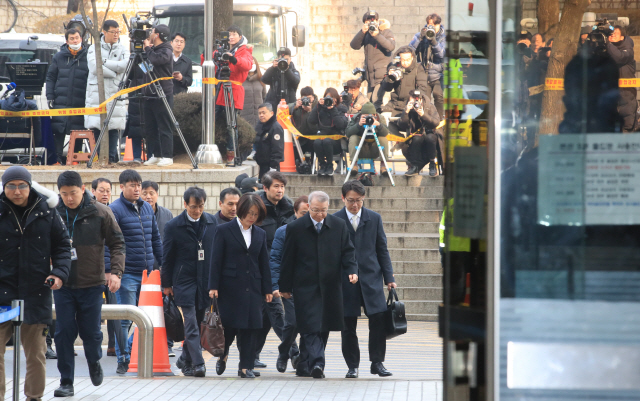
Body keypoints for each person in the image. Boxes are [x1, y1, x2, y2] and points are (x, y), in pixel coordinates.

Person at [0, 166, 70, 401]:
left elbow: (62, 247)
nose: (17, 191)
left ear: (30, 186)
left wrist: (59, 273)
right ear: (4, 187)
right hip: (2, 293)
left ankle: (34, 397)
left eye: (22, 186)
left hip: (35, 292)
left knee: (37, 354)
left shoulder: (47, 212)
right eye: (11, 186)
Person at [52, 171, 125, 397]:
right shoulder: (53, 213)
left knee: (91, 333)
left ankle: (94, 361)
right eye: (64, 194)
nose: (69, 198)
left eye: (73, 193)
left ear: (82, 189)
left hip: (92, 283)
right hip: (62, 284)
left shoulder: (100, 212)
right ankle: (66, 381)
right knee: (63, 333)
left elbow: (117, 243)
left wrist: (115, 273)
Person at [279, 191, 358, 378]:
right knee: (309, 325)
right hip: (304, 286)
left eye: (323, 211)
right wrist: (284, 287)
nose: (319, 215)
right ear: (308, 207)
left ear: (328, 208)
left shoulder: (338, 225)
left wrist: (352, 270)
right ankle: (318, 363)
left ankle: (304, 365)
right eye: (315, 211)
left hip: (330, 285)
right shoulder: (296, 228)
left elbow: (348, 251)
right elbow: (287, 259)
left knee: (324, 326)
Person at [334, 181, 396, 378]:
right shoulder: (335, 220)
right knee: (348, 324)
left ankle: (377, 363)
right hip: (346, 280)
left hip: (371, 278)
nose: (355, 205)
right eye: (351, 201)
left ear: (364, 199)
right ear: (343, 198)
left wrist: (389, 277)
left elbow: (382, 249)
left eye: (359, 201)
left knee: (378, 319)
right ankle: (352, 366)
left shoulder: (374, 218)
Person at [208, 194, 272, 379]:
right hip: (229, 287)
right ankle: (223, 355)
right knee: (229, 327)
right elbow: (215, 260)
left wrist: (267, 289)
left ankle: (246, 367)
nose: (252, 217)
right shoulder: (224, 230)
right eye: (249, 213)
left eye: (256, 214)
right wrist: (213, 286)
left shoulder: (259, 233)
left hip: (253, 287)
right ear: (241, 211)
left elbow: (264, 263)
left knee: (251, 328)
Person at [109, 169, 162, 374]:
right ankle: (123, 358)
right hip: (127, 273)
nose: (137, 188)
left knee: (147, 317)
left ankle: (131, 349)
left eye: (138, 184)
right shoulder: (115, 210)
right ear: (122, 187)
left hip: (147, 274)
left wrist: (162, 264)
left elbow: (156, 239)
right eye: (132, 185)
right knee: (125, 318)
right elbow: (110, 243)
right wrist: (113, 271)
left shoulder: (147, 209)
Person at [162, 187, 217, 377]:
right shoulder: (173, 226)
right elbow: (167, 258)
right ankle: (199, 363)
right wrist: (167, 284)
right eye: (193, 207)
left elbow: (216, 256)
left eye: (201, 206)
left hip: (205, 282)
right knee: (191, 323)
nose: (197, 211)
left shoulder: (212, 223)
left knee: (201, 323)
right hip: (183, 282)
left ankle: (184, 359)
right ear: (185, 204)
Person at [254, 172, 297, 368]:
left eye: (282, 186)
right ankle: (293, 353)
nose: (280, 190)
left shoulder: (289, 208)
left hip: (284, 268)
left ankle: (252, 354)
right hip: (261, 269)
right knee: (276, 312)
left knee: (267, 316)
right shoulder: (256, 208)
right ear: (265, 188)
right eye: (276, 186)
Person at [202, 25, 253, 165]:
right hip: (219, 88)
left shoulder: (244, 50)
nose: (231, 37)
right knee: (212, 121)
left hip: (234, 90)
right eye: (229, 34)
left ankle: (232, 154)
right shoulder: (223, 48)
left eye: (234, 34)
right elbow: (205, 62)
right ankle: (211, 151)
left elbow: (248, 64)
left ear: (240, 36)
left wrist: (233, 59)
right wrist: (207, 52)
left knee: (231, 125)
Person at [270, 195, 309, 373]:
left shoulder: (318, 229)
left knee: (309, 325)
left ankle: (304, 362)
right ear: (294, 212)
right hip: (290, 286)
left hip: (311, 286)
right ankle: (284, 351)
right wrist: (276, 285)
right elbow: (275, 259)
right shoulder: (283, 231)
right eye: (303, 213)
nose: (308, 217)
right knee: (292, 322)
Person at [84, 20, 129, 164]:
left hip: (115, 90)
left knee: (114, 126)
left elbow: (125, 66)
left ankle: (111, 157)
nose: (116, 35)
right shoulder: (94, 48)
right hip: (97, 92)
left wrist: (104, 63)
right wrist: (114, 71)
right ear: (104, 32)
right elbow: (94, 67)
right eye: (113, 32)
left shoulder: (123, 48)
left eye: (118, 32)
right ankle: (100, 156)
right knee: (97, 124)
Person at [45, 28, 89, 165]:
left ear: (81, 38)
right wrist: (50, 95)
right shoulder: (59, 56)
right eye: (72, 38)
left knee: (78, 131)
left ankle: (75, 159)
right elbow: (51, 77)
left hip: (81, 100)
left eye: (77, 37)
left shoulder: (89, 55)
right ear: (67, 41)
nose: (75, 40)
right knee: (59, 130)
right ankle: (57, 159)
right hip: (61, 100)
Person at [141, 181, 175, 354]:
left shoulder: (166, 214)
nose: (148, 196)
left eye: (152, 193)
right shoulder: (137, 213)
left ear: (157, 195)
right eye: (145, 193)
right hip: (144, 269)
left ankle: (167, 343)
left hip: (163, 269)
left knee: (166, 306)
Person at [90, 178, 120, 357]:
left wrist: (113, 270)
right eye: (101, 190)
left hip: (110, 271)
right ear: (93, 191)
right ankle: (95, 343)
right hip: (94, 271)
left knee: (114, 308)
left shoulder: (111, 211)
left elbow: (115, 244)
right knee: (94, 309)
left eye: (108, 190)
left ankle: (113, 344)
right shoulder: (90, 211)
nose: (105, 194)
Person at [141, 24, 175, 167]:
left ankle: (167, 156)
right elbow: (144, 67)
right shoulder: (153, 50)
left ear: (158, 35)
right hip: (150, 93)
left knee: (164, 125)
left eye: (152, 32)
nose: (150, 34)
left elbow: (156, 60)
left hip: (163, 93)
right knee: (150, 127)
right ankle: (156, 154)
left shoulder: (166, 49)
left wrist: (147, 48)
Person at [350, 10, 396, 112]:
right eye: (368, 22)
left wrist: (377, 35)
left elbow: (390, 47)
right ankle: (370, 123)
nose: (371, 24)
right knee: (369, 102)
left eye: (373, 21)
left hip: (382, 75)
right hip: (370, 76)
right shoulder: (365, 34)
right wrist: (362, 32)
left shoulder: (386, 32)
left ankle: (378, 124)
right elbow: (354, 45)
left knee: (376, 100)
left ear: (377, 21)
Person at [382, 46, 428, 136]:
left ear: (412, 58)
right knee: (382, 120)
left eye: (407, 60)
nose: (405, 62)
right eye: (402, 60)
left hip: (411, 104)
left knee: (413, 124)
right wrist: (390, 78)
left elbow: (422, 89)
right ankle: (399, 139)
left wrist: (413, 99)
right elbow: (386, 88)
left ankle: (406, 143)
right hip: (395, 104)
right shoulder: (395, 68)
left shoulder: (419, 68)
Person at [408, 13, 446, 119]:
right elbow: (410, 51)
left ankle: (439, 121)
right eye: (430, 25)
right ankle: (426, 123)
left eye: (434, 25)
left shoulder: (444, 37)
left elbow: (441, 54)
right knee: (425, 100)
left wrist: (433, 41)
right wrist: (420, 38)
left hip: (438, 74)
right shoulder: (420, 35)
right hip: (423, 74)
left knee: (439, 96)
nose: (432, 27)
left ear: (439, 24)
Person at [397, 90, 441, 176]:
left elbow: (436, 122)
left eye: (416, 101)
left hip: (430, 134)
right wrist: (406, 112)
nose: (415, 104)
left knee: (430, 138)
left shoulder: (429, 106)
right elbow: (402, 125)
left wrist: (423, 114)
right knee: (416, 139)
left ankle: (432, 165)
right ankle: (415, 166)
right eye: (412, 101)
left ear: (421, 100)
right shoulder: (408, 108)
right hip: (416, 135)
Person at [308, 88, 349, 176]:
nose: (329, 100)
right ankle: (322, 165)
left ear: (336, 99)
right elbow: (311, 121)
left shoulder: (341, 109)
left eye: (331, 98)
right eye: (327, 98)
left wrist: (333, 109)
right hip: (321, 139)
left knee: (327, 141)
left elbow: (341, 125)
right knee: (317, 142)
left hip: (336, 142)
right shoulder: (321, 109)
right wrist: (317, 106)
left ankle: (330, 166)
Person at [345, 102, 390, 176]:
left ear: (375, 115)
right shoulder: (356, 118)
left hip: (375, 149)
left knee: (383, 138)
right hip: (360, 149)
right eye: (365, 116)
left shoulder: (380, 118)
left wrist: (378, 125)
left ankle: (383, 166)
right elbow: (348, 133)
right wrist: (358, 125)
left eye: (370, 116)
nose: (368, 119)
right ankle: (354, 165)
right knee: (353, 137)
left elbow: (386, 133)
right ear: (361, 115)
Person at [608, 25, 637, 132]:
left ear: (622, 37)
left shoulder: (628, 50)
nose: (612, 35)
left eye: (615, 33)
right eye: (611, 33)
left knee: (626, 123)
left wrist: (608, 45)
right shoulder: (607, 49)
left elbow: (619, 57)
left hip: (626, 92)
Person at [262, 47, 301, 111]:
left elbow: (296, 81)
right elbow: (264, 79)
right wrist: (272, 68)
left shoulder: (293, 71)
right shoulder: (274, 70)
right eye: (282, 60)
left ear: (290, 59)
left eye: (286, 59)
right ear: (277, 59)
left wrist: (287, 70)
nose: (284, 62)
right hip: (273, 105)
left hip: (289, 104)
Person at [254, 103, 285, 179]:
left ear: (271, 113)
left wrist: (273, 167)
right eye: (259, 113)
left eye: (264, 113)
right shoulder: (262, 126)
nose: (261, 115)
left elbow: (277, 148)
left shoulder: (275, 127)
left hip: (270, 166)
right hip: (262, 164)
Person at [288, 86, 318, 164]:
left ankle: (311, 165)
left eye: (309, 98)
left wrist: (310, 112)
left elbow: (315, 128)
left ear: (313, 97)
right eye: (305, 98)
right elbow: (282, 109)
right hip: (298, 138)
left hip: (311, 138)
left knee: (313, 145)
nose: (307, 100)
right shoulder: (297, 106)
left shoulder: (317, 107)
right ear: (301, 98)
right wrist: (294, 106)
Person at [242, 57, 266, 132]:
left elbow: (264, 97)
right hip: (244, 117)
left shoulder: (261, 80)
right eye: (250, 63)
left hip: (259, 117)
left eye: (254, 63)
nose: (252, 65)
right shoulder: (240, 80)